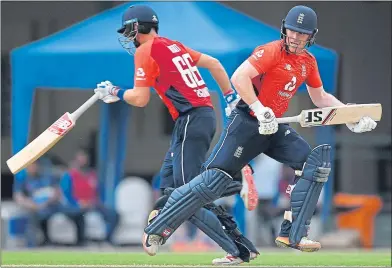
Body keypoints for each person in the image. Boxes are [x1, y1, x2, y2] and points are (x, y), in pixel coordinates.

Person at [142, 4, 378, 257]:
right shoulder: (270, 52)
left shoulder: (308, 62)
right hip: (246, 122)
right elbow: (239, 77)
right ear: (284, 29)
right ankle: (159, 226)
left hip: (275, 126)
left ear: (312, 35)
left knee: (313, 163)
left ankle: (292, 233)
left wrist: (350, 116)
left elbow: (320, 98)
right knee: (213, 181)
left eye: (303, 33)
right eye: (293, 31)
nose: (296, 38)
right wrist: (259, 107)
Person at [93, 4, 258, 264]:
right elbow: (214, 64)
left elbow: (140, 98)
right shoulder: (173, 45)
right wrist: (229, 97)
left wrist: (114, 92)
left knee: (186, 194)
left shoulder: (146, 50)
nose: (127, 37)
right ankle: (233, 244)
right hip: (195, 119)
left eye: (128, 31)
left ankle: (234, 181)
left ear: (137, 27)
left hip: (192, 119)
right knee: (172, 189)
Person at [13, 161, 84, 247]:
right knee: (33, 217)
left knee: (78, 212)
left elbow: (58, 191)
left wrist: (48, 201)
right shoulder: (23, 180)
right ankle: (33, 246)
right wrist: (33, 205)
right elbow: (19, 198)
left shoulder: (46, 176)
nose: (33, 167)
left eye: (34, 164)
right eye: (30, 166)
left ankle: (81, 242)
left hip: (54, 205)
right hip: (37, 208)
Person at [61, 149, 119, 245]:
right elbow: (66, 194)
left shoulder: (92, 174)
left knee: (114, 214)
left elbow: (97, 192)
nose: (82, 161)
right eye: (80, 159)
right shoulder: (69, 175)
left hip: (92, 204)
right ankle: (81, 242)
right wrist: (78, 203)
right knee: (79, 215)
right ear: (75, 160)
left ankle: (107, 240)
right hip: (76, 205)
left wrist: (95, 201)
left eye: (84, 158)